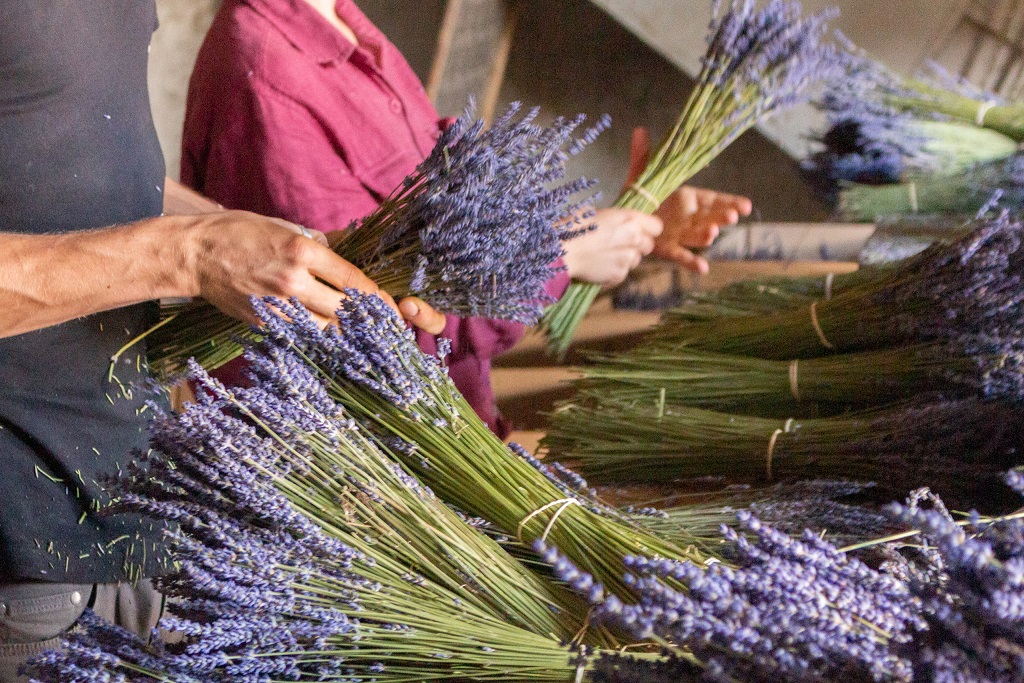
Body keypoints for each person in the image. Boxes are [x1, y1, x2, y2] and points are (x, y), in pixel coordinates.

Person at [0, 3, 443, 681]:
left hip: (134, 505)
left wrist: (269, 243)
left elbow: (71, 152)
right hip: (21, 559)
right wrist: (191, 254)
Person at [181, 0, 752, 437]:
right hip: (375, 491)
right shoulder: (264, 74)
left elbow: (445, 233)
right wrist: (562, 251)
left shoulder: (345, 24)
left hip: (448, 435)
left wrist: (631, 221)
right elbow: (360, 326)